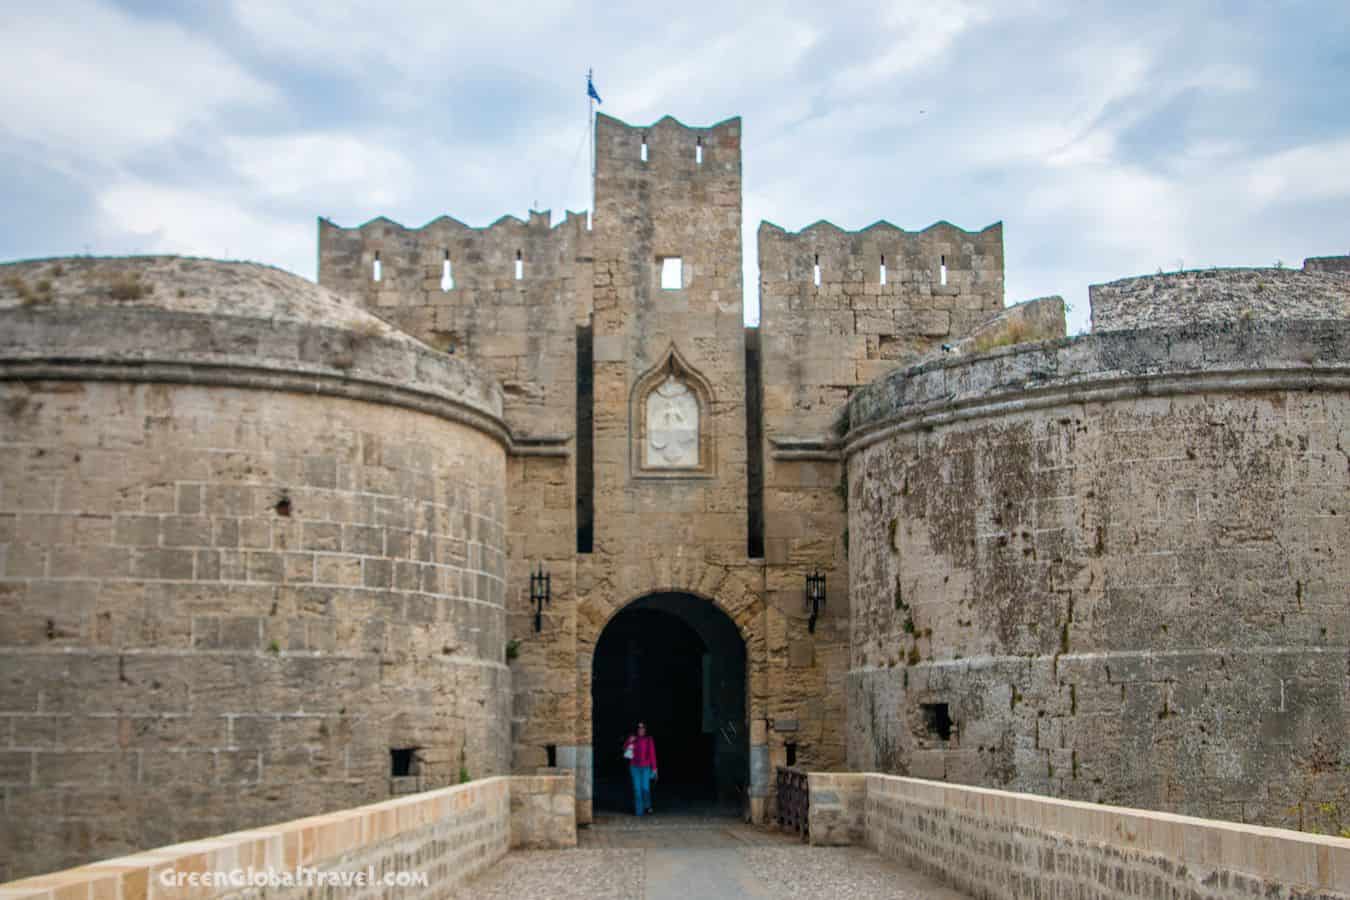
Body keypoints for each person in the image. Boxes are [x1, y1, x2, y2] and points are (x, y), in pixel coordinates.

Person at [622, 721, 658, 815]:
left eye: (643, 729)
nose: (641, 730)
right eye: (639, 729)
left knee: (645, 788)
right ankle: (639, 811)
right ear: (636, 730)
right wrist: (629, 741)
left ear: (645, 730)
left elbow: (652, 754)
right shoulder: (633, 738)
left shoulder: (649, 739)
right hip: (634, 767)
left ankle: (647, 805)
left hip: (646, 767)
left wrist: (654, 768)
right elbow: (625, 750)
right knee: (637, 789)